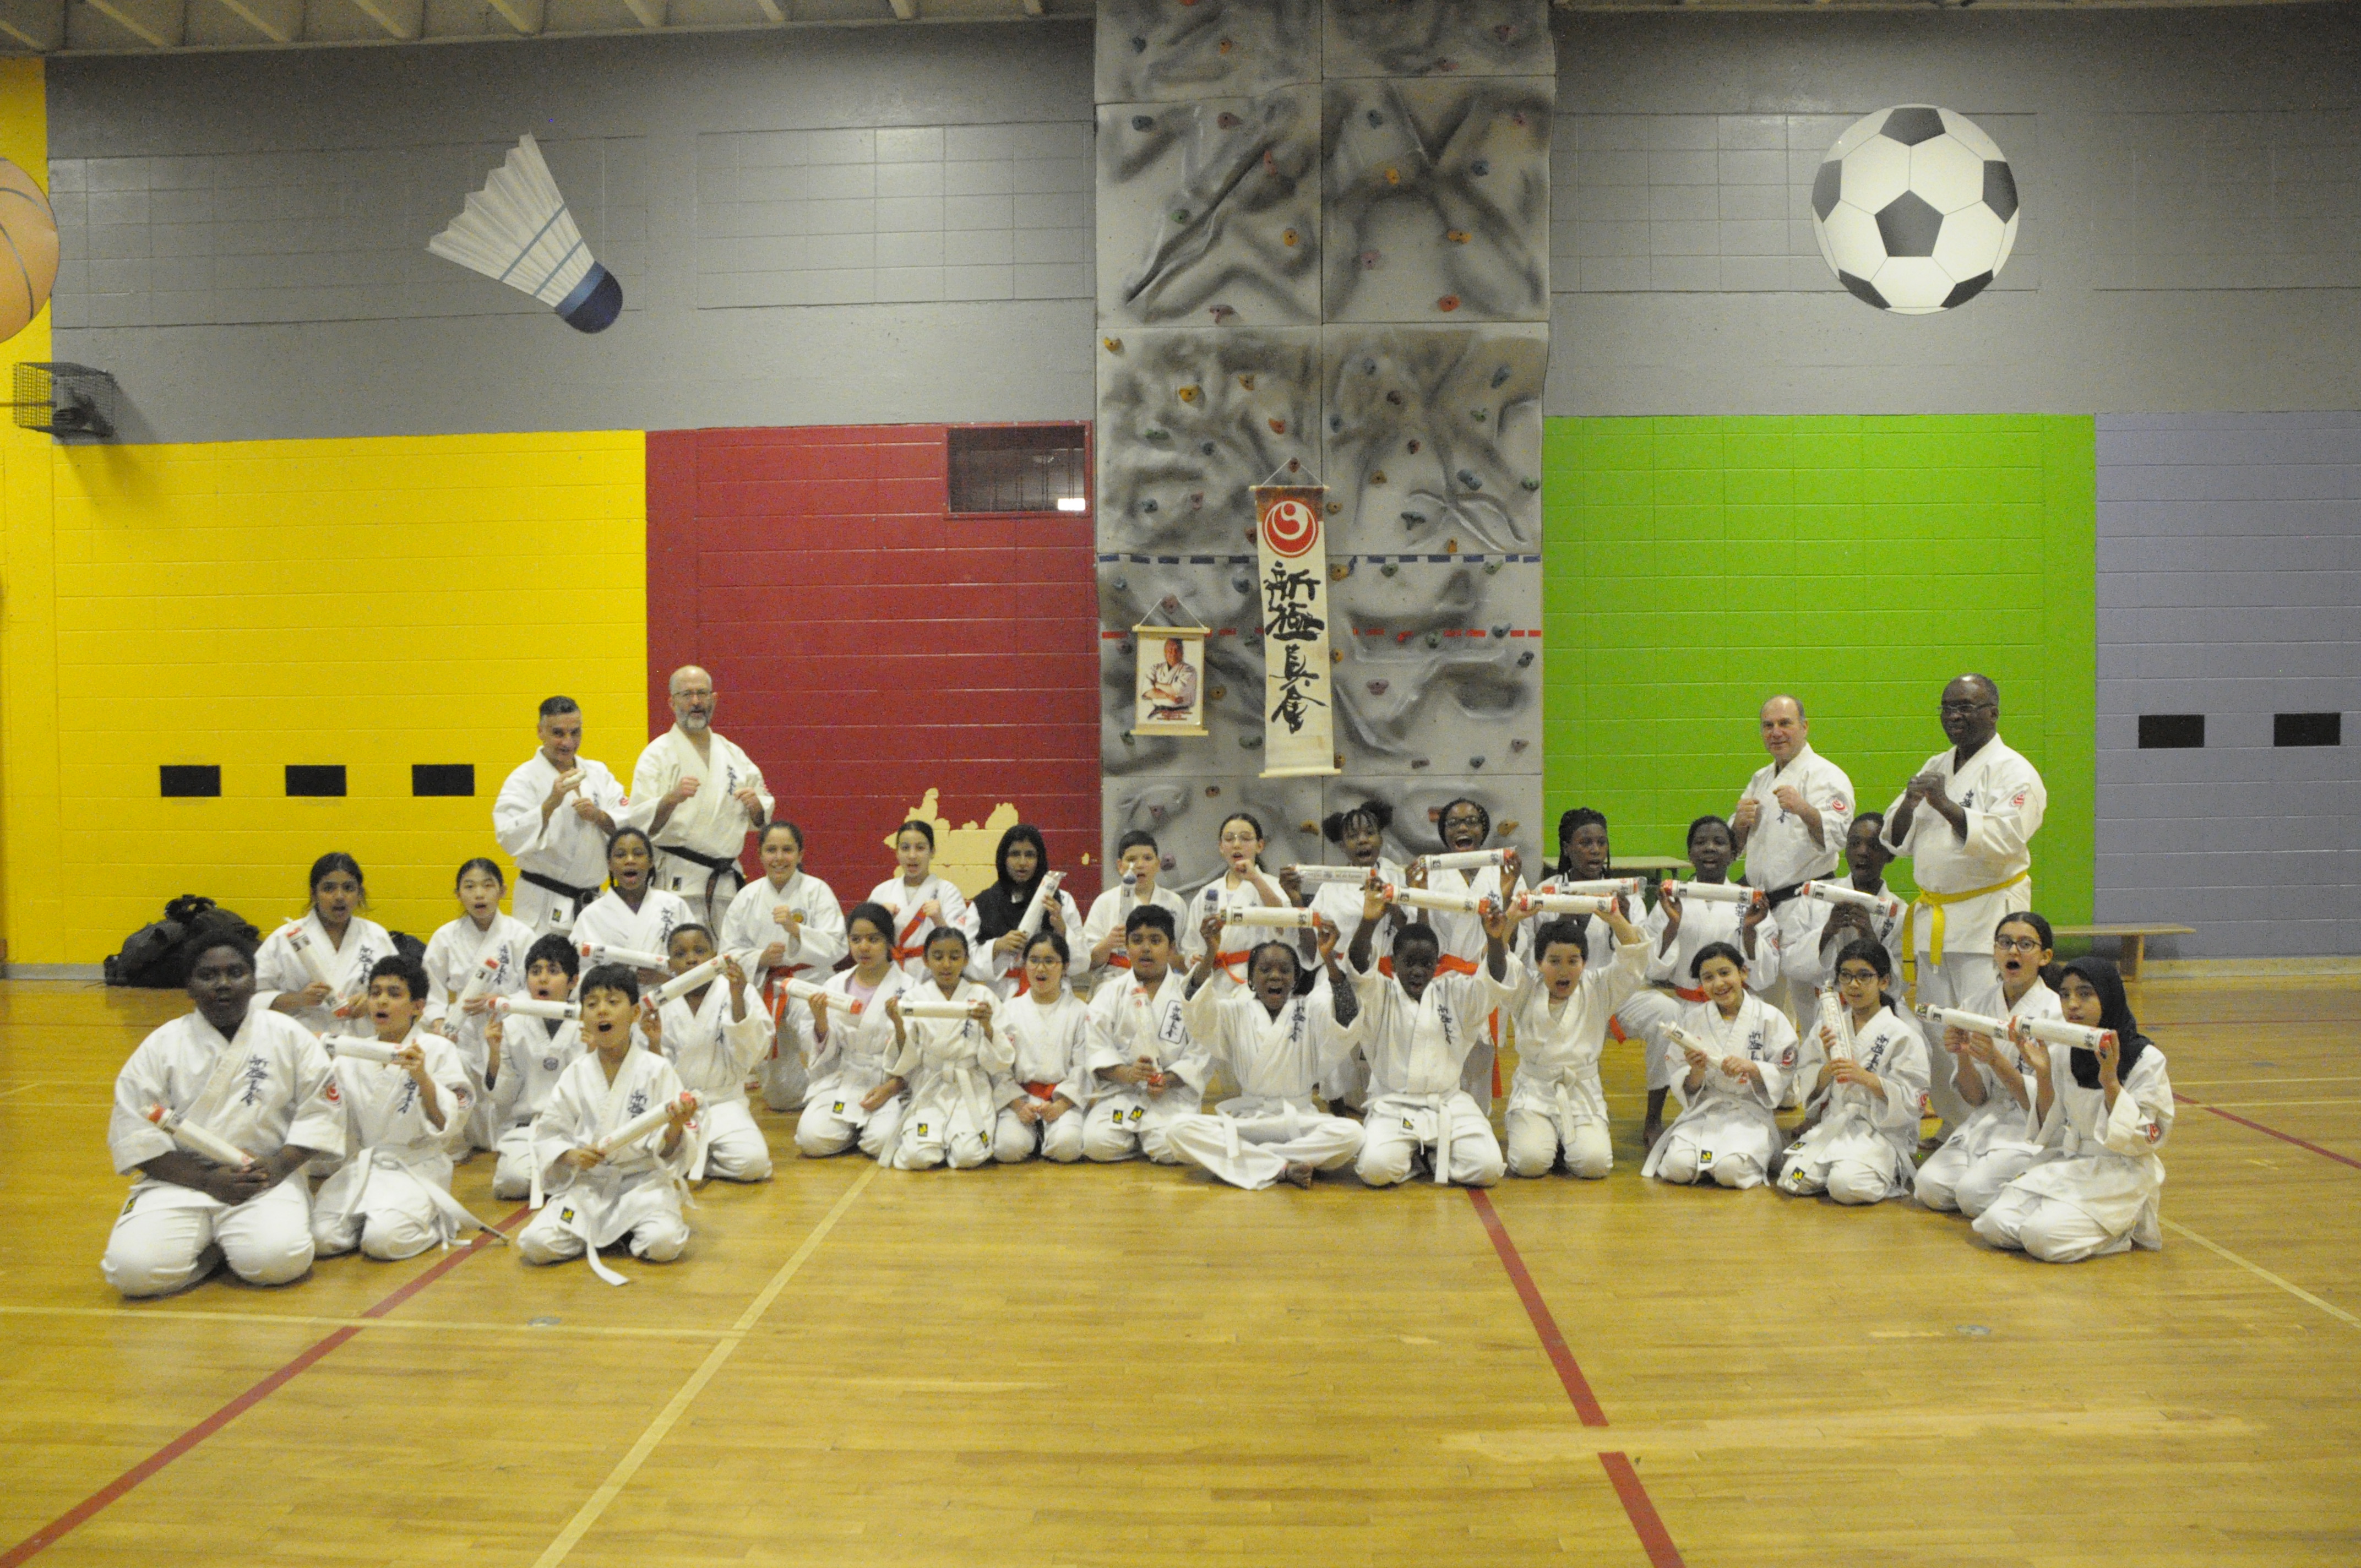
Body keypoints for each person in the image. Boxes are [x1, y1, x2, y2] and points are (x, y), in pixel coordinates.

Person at [101, 937, 344, 1298]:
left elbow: (321, 1112)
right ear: (189, 986)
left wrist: (279, 1166)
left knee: (279, 1261)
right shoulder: (161, 1045)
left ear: (254, 980)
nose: (223, 984)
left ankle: (222, 1244)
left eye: (236, 972)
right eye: (208, 975)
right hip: (180, 1180)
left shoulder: (290, 1036)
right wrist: (206, 1180)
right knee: (131, 1273)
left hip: (263, 1178)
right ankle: (213, 1253)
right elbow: (136, 1135)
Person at [1880, 673, 2046, 1132]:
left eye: (1966, 707)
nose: (1954, 716)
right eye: (1947, 707)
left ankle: (1996, 1123)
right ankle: (1954, 1125)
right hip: (1936, 921)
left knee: (1982, 1028)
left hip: (1986, 920)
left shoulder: (2014, 772)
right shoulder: (1938, 764)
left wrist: (1945, 803)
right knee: (1939, 1033)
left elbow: (2007, 838)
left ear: (1993, 712)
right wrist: (1912, 801)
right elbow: (1896, 839)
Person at [1974, 957, 2173, 1263]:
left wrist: (2110, 1083)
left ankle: (2122, 1230)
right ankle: (2070, 1219)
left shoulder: (2146, 1059)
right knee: (1995, 1225)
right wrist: (2043, 1074)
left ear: (2108, 995)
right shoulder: (2064, 1049)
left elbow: (2149, 1138)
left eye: (2085, 994)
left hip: (2119, 1171)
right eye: (2065, 995)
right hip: (2071, 1162)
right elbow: (2051, 1125)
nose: (2072, 1005)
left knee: (2042, 1238)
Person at [516, 964, 697, 1281]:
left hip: (642, 1184)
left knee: (664, 1243)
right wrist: (572, 1155)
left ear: (635, 1013)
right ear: (582, 1017)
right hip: (590, 1184)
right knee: (535, 1244)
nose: (602, 1010)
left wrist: (676, 1126)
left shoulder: (657, 1070)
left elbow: (670, 1151)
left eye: (613, 1002)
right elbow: (551, 1133)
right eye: (592, 1004)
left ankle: (623, 1229)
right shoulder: (576, 1073)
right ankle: (616, 1232)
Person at [311, 956, 496, 1260]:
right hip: (365, 1166)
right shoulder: (351, 1054)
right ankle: (369, 1220)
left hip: (415, 1166)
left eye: (394, 994)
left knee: (383, 1242)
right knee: (322, 1239)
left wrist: (423, 1078)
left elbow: (448, 1123)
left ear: (418, 1007)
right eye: (375, 993)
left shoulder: (437, 1049)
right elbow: (331, 1114)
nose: (382, 1001)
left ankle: (435, 1221)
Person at [1614, 817, 1780, 1150]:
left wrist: (1749, 930)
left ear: (1733, 853)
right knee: (1665, 1030)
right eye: (1701, 843)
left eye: (1719, 842)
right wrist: (1673, 925)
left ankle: (1745, 1119)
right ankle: (1653, 1118)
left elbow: (1765, 975)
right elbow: (1653, 967)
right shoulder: (1673, 899)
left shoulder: (1748, 900)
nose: (1709, 849)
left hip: (1734, 1005)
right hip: (1686, 1003)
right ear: (1690, 854)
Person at [1166, 916, 1364, 1190]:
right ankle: (1283, 1167)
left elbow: (1346, 1016)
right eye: (1265, 970)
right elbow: (1198, 1011)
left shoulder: (1310, 1010)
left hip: (1298, 1119)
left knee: (1353, 1133)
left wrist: (1328, 958)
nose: (1275, 976)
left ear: (1295, 979)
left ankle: (1256, 1160)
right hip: (1249, 1120)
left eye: (1285, 970)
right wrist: (1211, 952)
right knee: (1179, 1128)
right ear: (1250, 979)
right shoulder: (1233, 1011)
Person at [1347, 886, 1517, 1189]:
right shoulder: (1381, 994)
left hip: (1448, 1104)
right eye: (1409, 963)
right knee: (1375, 1169)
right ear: (1394, 962)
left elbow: (1492, 981)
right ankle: (1417, 1157)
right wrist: (1369, 922)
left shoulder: (1453, 992)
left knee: (1489, 1168)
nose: (1418, 971)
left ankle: (1432, 1158)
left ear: (1437, 965)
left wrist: (1494, 939)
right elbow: (1359, 968)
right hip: (1394, 1105)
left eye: (1426, 964)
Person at [1914, 912, 2064, 1217]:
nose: (2013, 951)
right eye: (2005, 943)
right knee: (1929, 1187)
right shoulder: (1976, 1005)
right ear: (1995, 951)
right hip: (1987, 1120)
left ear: (2045, 956)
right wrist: (1962, 1054)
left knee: (1971, 1196)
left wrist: (1996, 1060)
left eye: (2025, 944)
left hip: (2032, 1128)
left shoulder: (2056, 1014)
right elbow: (1976, 1098)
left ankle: (2041, 1179)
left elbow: (2044, 1109)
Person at [1731, 695, 1856, 1027]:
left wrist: (1804, 809)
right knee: (1763, 1005)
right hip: (1764, 908)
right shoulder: (1761, 778)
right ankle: (1776, 1062)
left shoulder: (1827, 776)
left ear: (1804, 727)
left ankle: (1819, 1061)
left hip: (1806, 905)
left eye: (1785, 723)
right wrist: (1739, 824)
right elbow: (1735, 846)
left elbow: (1839, 836)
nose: (1776, 732)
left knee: (1812, 1007)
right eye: (1768, 725)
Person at [1772, 940, 1928, 1204]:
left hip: (1879, 1130)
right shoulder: (1829, 1026)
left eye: (1864, 976)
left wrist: (1866, 1078)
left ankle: (1888, 1169)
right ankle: (1840, 1166)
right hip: (1836, 1123)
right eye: (1846, 976)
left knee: (1845, 1186)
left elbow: (1914, 1097)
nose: (1853, 985)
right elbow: (1808, 1077)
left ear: (1884, 981)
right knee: (1792, 1179)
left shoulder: (1903, 1033)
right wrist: (1827, 1070)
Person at [1500, 906, 1651, 1180]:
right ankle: (1545, 1137)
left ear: (1585, 963)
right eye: (1554, 961)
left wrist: (1615, 917)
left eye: (1573, 961)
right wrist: (1513, 918)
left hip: (1581, 1093)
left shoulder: (1597, 988)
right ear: (1538, 963)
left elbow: (1633, 960)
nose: (1564, 970)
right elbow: (1497, 962)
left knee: (1594, 1165)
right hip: (1535, 1092)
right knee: (1529, 1163)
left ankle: (1561, 1141)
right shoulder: (1525, 987)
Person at [1640, 943, 1802, 1190]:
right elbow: (1683, 1079)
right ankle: (1709, 1163)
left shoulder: (1770, 1017)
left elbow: (1784, 1068)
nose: (1719, 984)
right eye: (1708, 977)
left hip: (1749, 1114)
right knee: (1676, 1167)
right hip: (1705, 1112)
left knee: (1731, 1171)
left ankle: (1725, 1162)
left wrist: (1752, 1068)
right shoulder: (1693, 1020)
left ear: (1743, 973)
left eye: (1725, 973)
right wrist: (1696, 1071)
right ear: (1701, 984)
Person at [1279, 799, 1405, 1113]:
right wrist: (1296, 901)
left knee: (1395, 1022)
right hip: (1337, 970)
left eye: (1369, 833)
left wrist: (1391, 903)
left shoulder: (1396, 876)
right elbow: (1311, 950)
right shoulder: (1332, 883)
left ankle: (1389, 1101)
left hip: (1385, 971)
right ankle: (1335, 1101)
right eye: (1352, 836)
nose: (1362, 840)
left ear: (1381, 838)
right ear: (1342, 846)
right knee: (1319, 1006)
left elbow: (1411, 931)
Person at [626, 665, 774, 924]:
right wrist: (670, 799)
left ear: (714, 699)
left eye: (702, 694)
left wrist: (755, 807)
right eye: (687, 695)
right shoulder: (656, 755)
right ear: (672, 703)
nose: (696, 702)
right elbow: (639, 823)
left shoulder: (733, 754)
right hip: (677, 884)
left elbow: (761, 818)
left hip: (726, 885)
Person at [720, 820, 846, 1112]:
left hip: (810, 982)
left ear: (801, 854)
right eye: (771, 850)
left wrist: (797, 931)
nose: (779, 858)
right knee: (781, 1097)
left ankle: (831, 1092)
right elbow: (726, 954)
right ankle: (807, 1089)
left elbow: (838, 945)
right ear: (760, 855)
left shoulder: (817, 891)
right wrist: (760, 959)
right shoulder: (747, 897)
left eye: (787, 850)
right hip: (767, 987)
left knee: (816, 1036)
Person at [421, 857, 536, 1153]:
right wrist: (438, 1023)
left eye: (488, 885)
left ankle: (508, 1139)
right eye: (469, 887)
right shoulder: (445, 937)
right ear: (458, 894)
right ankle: (460, 1138)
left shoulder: (520, 935)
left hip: (506, 1025)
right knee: (457, 1079)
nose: (479, 894)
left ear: (503, 891)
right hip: (461, 1029)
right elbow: (431, 990)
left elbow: (534, 989)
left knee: (504, 1083)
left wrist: (499, 1001)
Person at [1080, 905, 1211, 1164]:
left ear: (1172, 948)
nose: (1146, 948)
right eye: (1137, 940)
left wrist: (1168, 1080)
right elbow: (1097, 1048)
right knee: (1096, 1144)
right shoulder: (1110, 993)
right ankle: (1141, 1142)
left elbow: (1200, 1052)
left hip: (1170, 1097)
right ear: (1127, 947)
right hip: (1123, 1093)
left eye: (1156, 940)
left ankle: (1147, 1140)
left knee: (1170, 1149)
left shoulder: (1187, 994)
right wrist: (1127, 1074)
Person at [643, 925, 771, 1183]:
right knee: (643, 1157)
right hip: (675, 1106)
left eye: (700, 951)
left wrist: (737, 998)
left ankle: (693, 1162)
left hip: (724, 1102)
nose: (692, 959)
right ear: (671, 964)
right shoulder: (658, 1002)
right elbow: (650, 1069)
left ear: (715, 956)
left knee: (754, 1164)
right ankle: (695, 1157)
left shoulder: (738, 989)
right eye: (681, 954)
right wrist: (653, 1041)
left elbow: (756, 1053)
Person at [492, 695, 625, 933]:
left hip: (592, 903)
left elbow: (629, 825)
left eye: (575, 732)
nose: (568, 742)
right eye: (558, 733)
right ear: (540, 731)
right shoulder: (523, 779)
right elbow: (508, 837)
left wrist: (599, 816)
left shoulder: (598, 773)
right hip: (542, 904)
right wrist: (550, 805)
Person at [795, 903, 917, 1161]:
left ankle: (863, 1128)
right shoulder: (835, 985)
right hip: (847, 1079)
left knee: (880, 1142)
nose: (864, 947)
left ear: (889, 941)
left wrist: (892, 1087)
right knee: (811, 1139)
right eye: (856, 939)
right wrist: (820, 1021)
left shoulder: (910, 989)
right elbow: (823, 1050)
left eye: (874, 939)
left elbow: (920, 1050)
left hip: (888, 1083)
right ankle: (852, 1129)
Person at [878, 928, 1006, 1170]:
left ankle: (953, 1142)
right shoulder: (914, 998)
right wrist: (898, 1023)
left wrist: (987, 1025)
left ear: (966, 960)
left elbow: (1001, 1058)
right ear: (926, 960)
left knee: (968, 1155)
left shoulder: (982, 996)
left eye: (955, 957)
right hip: (931, 1084)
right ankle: (936, 1143)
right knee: (916, 1157)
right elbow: (905, 1058)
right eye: (938, 957)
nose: (946, 964)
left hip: (970, 1085)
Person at [486, 935, 585, 1200]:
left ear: (573, 981)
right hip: (528, 1128)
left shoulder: (587, 1024)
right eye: (535, 971)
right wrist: (494, 1054)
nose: (542, 979)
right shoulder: (512, 1025)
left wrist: (595, 1050)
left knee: (594, 1174)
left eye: (553, 971)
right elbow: (503, 1097)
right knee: (512, 1181)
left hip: (577, 1128)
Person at [254, 853, 396, 1038]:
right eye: (329, 888)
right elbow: (253, 999)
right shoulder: (284, 939)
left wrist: (372, 1000)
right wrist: (299, 999)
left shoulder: (376, 936)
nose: (340, 896)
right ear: (314, 894)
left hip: (361, 1042)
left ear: (359, 893)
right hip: (303, 1040)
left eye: (349, 888)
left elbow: (400, 992)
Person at [1775, 814, 1906, 1012]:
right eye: (1854, 844)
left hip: (1877, 1012)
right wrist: (1827, 931)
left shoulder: (1899, 912)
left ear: (1890, 854)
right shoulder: (1817, 897)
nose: (1863, 852)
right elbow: (1789, 963)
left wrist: (1870, 938)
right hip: (1821, 1010)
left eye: (1873, 846)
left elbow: (1899, 985)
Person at [991, 930, 1092, 1164]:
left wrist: (1062, 1105)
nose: (1041, 968)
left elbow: (1083, 1067)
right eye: (1034, 960)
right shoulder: (1010, 1009)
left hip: (1062, 1100)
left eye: (1050, 961)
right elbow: (999, 1066)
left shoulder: (1079, 1011)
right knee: (1007, 1149)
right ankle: (1036, 1137)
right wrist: (1018, 1105)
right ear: (1025, 964)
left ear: (1065, 967)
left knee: (1068, 1147)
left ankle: (1044, 1138)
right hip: (1022, 1099)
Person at [1183, 811, 1293, 997]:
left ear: (1260, 846)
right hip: (1214, 982)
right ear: (1221, 847)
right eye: (1229, 839)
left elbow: (1285, 926)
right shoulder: (1207, 893)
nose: (1236, 844)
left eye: (1245, 838)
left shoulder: (1274, 886)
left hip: (1255, 983)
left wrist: (1255, 879)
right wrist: (1194, 958)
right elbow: (1191, 943)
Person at [571, 827, 695, 988]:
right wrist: (610, 975)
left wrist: (663, 978)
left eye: (638, 854)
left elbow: (696, 965)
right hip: (612, 1000)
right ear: (609, 864)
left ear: (651, 862)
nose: (630, 860)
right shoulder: (590, 916)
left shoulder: (674, 906)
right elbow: (574, 976)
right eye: (620, 855)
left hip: (667, 999)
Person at [971, 823, 1084, 999]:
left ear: (1040, 859)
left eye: (1030, 855)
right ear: (1003, 858)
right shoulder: (984, 903)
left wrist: (1061, 928)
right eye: (1015, 854)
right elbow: (965, 962)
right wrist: (998, 946)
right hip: (1002, 996)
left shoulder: (1060, 901)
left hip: (1053, 994)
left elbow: (1082, 962)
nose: (1022, 862)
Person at [1078, 830, 1189, 990]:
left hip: (1164, 983)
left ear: (1158, 864)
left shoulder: (1175, 903)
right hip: (1115, 983)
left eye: (1148, 858)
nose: (1140, 865)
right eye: (1131, 859)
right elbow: (1088, 962)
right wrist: (1109, 943)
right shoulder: (1105, 902)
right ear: (1120, 866)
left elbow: (1187, 958)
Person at [867, 819, 973, 980]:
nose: (912, 856)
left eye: (920, 848)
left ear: (932, 852)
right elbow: (865, 938)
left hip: (933, 977)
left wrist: (940, 920)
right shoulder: (882, 892)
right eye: (905, 848)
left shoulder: (947, 891)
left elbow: (962, 944)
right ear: (897, 853)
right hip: (889, 974)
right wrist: (881, 921)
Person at [1141, 636, 1198, 722]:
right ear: (1165, 652)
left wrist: (1157, 685)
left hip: (1182, 714)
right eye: (1170, 650)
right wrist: (1169, 696)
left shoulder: (1189, 670)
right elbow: (1148, 693)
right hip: (1158, 713)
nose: (1174, 653)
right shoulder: (1155, 668)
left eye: (1177, 650)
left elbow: (1177, 690)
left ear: (1182, 652)